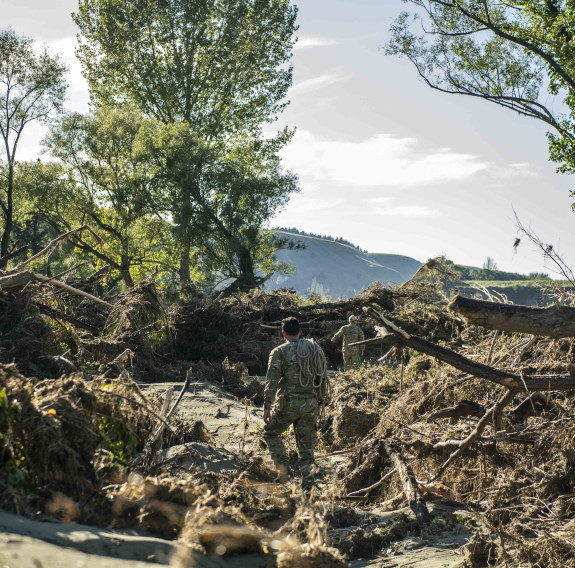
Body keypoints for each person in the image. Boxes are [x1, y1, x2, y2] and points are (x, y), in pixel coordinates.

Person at [263, 317, 328, 490]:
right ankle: (308, 489)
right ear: (300, 332)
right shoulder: (314, 349)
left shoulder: (279, 352)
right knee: (306, 450)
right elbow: (321, 378)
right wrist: (320, 401)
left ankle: (283, 472)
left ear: (283, 333)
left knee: (270, 434)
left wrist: (267, 407)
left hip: (288, 404)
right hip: (310, 404)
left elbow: (271, 381)